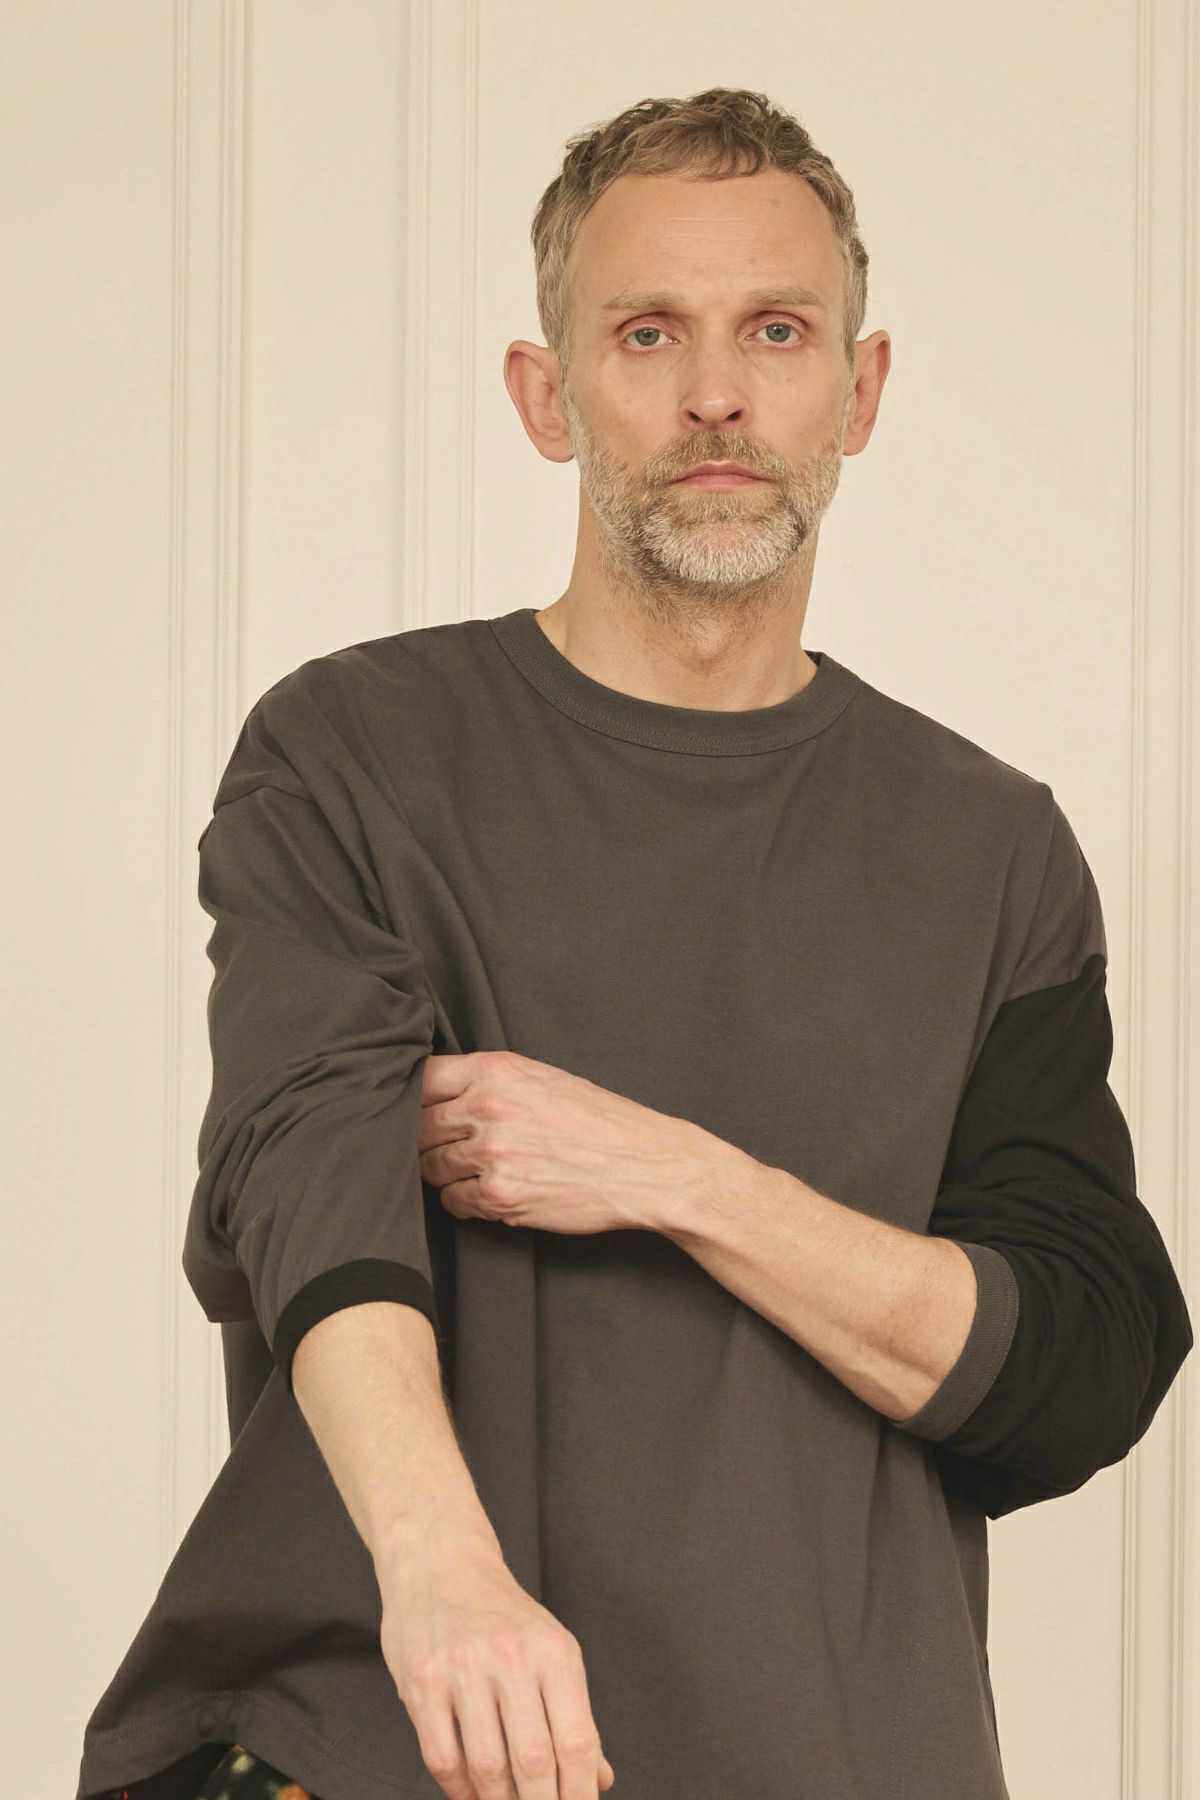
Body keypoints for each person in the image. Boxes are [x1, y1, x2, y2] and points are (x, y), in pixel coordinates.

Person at [77, 85, 1193, 1800]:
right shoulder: (355, 750)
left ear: (860, 392)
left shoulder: (991, 848)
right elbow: (307, 1184)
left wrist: (674, 1174)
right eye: (649, 331)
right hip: (392, 1749)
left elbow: (1077, 1365)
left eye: (777, 331)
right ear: (548, 396)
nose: (716, 393)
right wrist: (443, 1577)